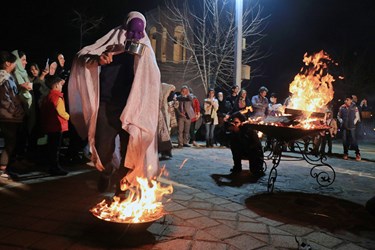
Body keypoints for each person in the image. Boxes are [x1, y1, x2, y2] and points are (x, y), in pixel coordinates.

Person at [68, 11, 161, 194]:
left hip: (132, 108)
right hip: (106, 105)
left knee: (130, 151)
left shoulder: (144, 47)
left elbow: (152, 77)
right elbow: (82, 55)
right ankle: (106, 171)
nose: (133, 37)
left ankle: (122, 188)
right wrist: (97, 59)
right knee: (103, 148)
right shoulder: (111, 40)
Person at [0, 51, 25, 179]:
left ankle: (5, 168)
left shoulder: (7, 77)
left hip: (9, 115)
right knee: (10, 142)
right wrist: (16, 111)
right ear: (7, 63)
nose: (16, 65)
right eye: (15, 62)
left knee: (10, 142)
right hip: (8, 116)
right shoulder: (4, 78)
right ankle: (2, 169)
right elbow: (6, 99)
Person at [40, 76, 69, 176]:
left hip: (49, 126)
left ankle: (51, 166)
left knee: (51, 147)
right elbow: (61, 112)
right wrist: (69, 117)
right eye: (60, 85)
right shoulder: (58, 97)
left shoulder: (47, 96)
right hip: (57, 126)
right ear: (56, 85)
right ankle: (55, 168)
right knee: (55, 149)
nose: (61, 87)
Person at [337, 95, 361, 161]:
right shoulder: (342, 107)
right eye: (345, 100)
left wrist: (354, 122)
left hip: (352, 127)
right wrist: (341, 121)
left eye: (347, 99)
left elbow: (357, 116)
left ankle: (357, 153)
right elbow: (338, 116)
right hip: (344, 127)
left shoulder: (354, 107)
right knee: (344, 141)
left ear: (350, 100)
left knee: (353, 140)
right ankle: (345, 153)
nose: (345, 101)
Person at [158, 83, 175, 160]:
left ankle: (165, 152)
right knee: (164, 133)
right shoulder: (168, 90)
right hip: (163, 114)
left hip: (161, 113)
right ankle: (165, 152)